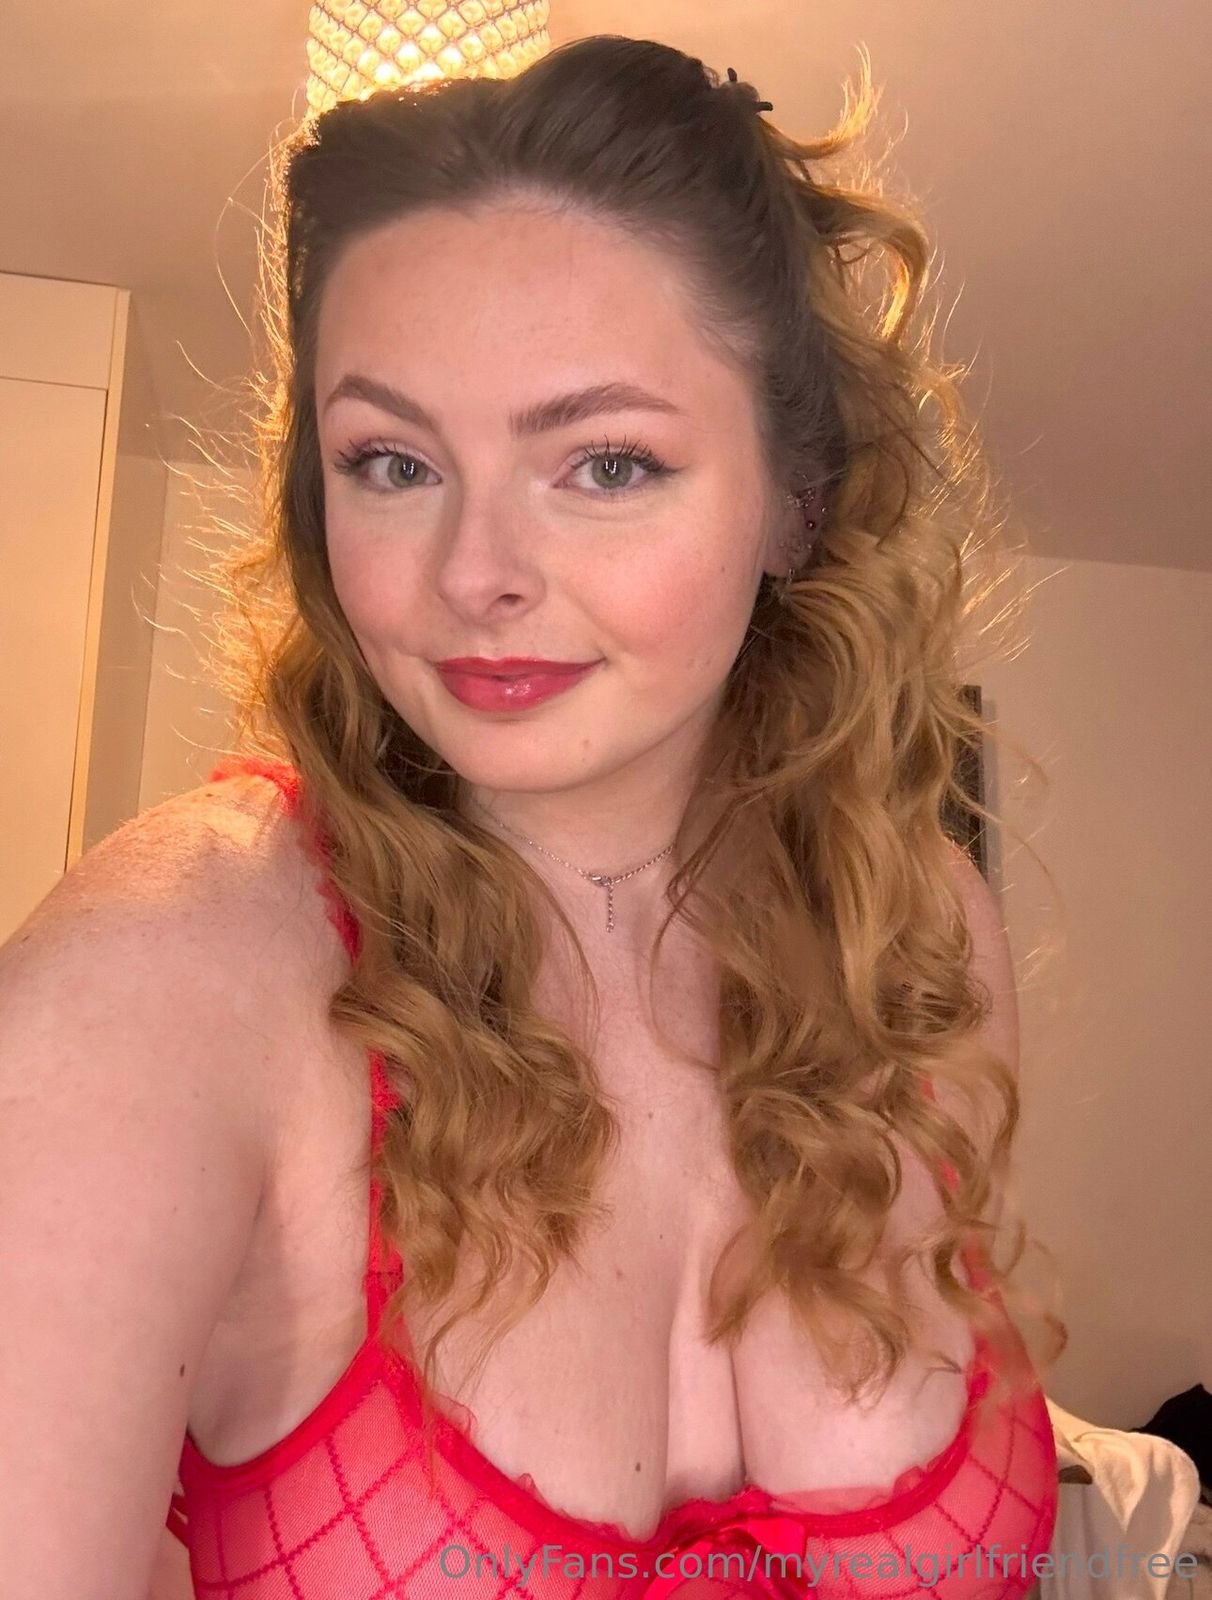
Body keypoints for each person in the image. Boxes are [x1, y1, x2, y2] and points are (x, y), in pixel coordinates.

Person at [0, 34, 1065, 1600]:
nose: (474, 574)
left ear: (796, 499)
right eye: (392, 462)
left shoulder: (916, 936)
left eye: (605, 464)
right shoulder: (167, 980)